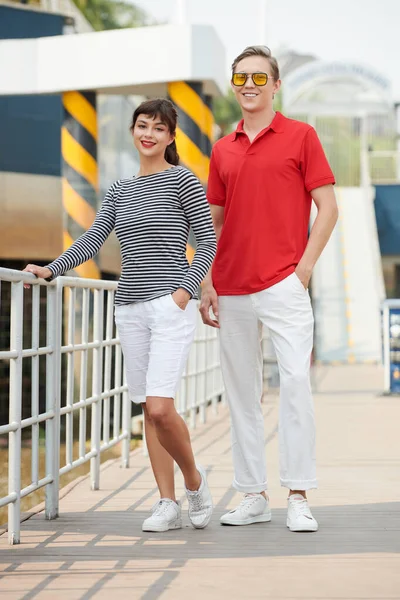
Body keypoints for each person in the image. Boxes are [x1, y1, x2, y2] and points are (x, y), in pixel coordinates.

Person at [24, 98, 216, 533]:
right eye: (141, 125)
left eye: (157, 128)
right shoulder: (119, 190)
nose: (148, 133)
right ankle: (166, 503)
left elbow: (206, 242)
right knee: (147, 410)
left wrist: (186, 290)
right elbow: (94, 239)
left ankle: (194, 481)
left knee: (162, 407)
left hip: (169, 307)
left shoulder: (183, 181)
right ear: (133, 131)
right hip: (129, 308)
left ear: (170, 137)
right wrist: (52, 268)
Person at [200, 46, 338, 532]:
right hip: (231, 286)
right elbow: (216, 222)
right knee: (242, 394)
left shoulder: (302, 137)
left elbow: (329, 208)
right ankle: (253, 493)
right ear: (234, 84)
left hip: (284, 282)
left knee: (296, 384)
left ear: (276, 85)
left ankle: (298, 494)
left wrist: (302, 271)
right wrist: (208, 281)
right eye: (242, 77)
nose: (250, 84)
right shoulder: (222, 148)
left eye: (260, 77)